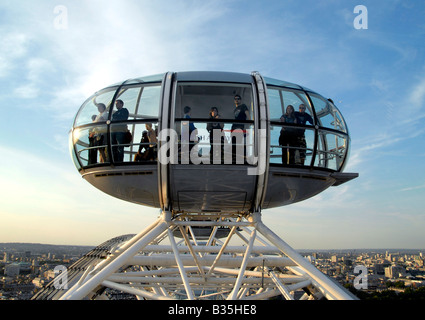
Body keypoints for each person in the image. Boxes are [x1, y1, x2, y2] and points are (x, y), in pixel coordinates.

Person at [231, 95, 250, 163]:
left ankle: (237, 158)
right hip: (233, 128)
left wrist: (250, 121)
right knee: (234, 144)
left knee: (238, 143)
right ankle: (234, 158)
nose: (237, 100)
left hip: (239, 128)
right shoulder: (235, 109)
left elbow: (248, 115)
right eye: (235, 99)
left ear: (240, 100)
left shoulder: (243, 106)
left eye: (238, 99)